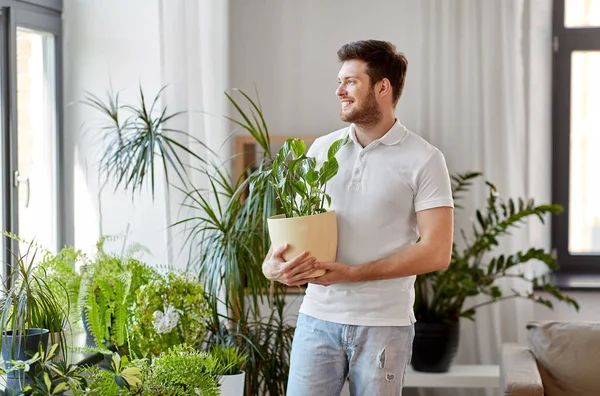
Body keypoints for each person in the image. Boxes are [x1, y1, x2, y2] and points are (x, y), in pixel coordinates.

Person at [262, 39, 454, 396]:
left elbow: (436, 251)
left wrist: (354, 274)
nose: (339, 91)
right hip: (317, 318)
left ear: (382, 88)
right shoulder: (321, 149)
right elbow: (301, 227)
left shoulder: (425, 159)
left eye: (350, 81)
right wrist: (272, 266)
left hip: (384, 325)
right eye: (339, 81)